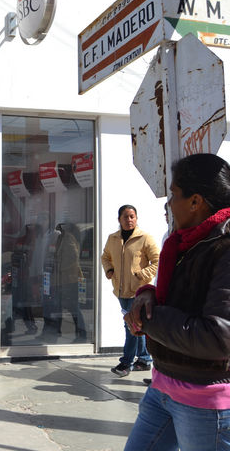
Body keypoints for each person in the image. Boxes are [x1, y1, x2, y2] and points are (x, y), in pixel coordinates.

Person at [124, 153, 230, 449]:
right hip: (163, 386)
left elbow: (218, 337)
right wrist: (148, 295)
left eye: (174, 195)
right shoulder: (187, 241)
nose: (169, 203)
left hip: (206, 402)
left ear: (195, 201)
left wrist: (148, 318)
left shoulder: (224, 248)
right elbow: (182, 297)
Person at [101, 204, 160, 377]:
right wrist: (109, 270)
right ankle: (144, 359)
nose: (129, 220)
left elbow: (157, 261)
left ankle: (126, 363)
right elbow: (105, 256)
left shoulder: (145, 238)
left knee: (131, 326)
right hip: (121, 290)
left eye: (132, 216)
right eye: (125, 217)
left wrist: (142, 275)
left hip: (138, 292)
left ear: (137, 218)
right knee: (137, 325)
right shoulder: (113, 238)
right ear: (119, 219)